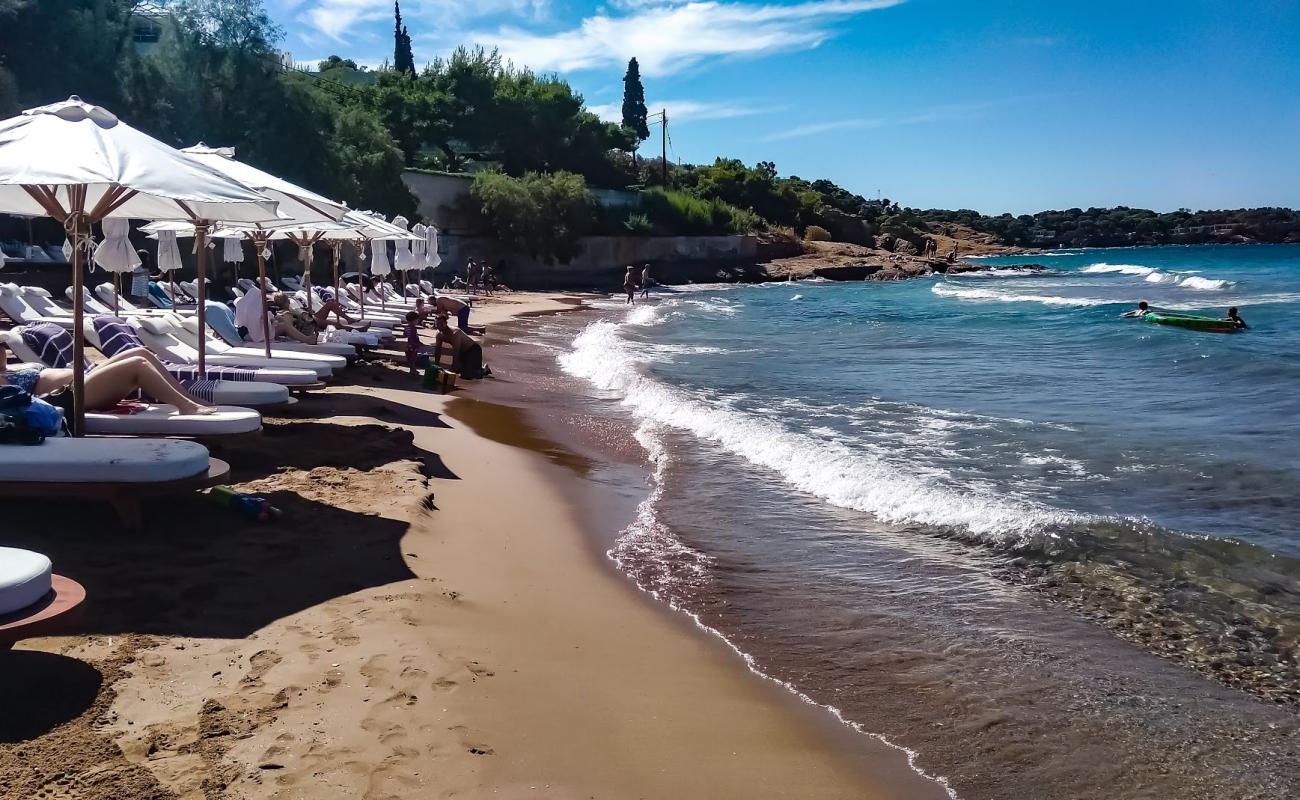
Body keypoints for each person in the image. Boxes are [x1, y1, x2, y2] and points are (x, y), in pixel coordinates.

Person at [1, 343, 213, 415]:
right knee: (137, 366)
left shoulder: (9, 368)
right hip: (66, 397)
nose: (3, 350)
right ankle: (186, 406)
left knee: (140, 352)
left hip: (82, 380)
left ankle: (188, 398)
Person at [433, 313, 489, 379]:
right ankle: (476, 367)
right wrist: (436, 365)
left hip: (473, 350)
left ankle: (484, 369)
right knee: (461, 371)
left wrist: (453, 368)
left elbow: (456, 351)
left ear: (446, 323)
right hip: (463, 352)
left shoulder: (455, 333)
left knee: (473, 375)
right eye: (437, 324)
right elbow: (438, 350)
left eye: (441, 324)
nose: (439, 326)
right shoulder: (439, 334)